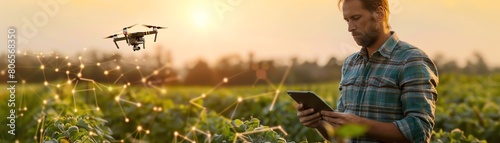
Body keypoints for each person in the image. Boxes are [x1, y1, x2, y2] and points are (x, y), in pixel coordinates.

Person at [296, 0, 439, 142]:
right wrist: (319, 123)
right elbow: (340, 133)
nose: (350, 28)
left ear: (380, 14)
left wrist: (360, 124)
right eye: (347, 20)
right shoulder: (350, 63)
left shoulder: (412, 60)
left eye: (356, 18)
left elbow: (420, 131)